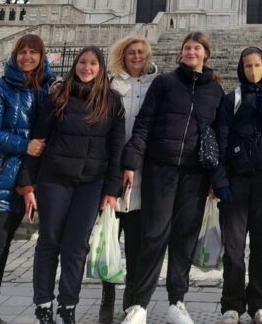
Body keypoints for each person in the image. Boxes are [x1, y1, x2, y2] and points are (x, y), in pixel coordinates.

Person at [121, 32, 224, 324]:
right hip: (161, 169)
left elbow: (217, 138)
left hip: (195, 174)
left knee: (184, 238)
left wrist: (216, 179)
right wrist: (131, 162)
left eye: (197, 48)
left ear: (206, 54)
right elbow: (144, 124)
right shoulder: (164, 83)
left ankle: (177, 302)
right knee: (153, 235)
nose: (191, 52)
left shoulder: (215, 91)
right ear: (180, 54)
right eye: (187, 48)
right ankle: (139, 304)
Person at [18, 46, 125, 324]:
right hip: (55, 178)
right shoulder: (58, 96)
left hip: (91, 183)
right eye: (82, 62)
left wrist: (112, 191)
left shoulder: (112, 102)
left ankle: (68, 306)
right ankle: (43, 304)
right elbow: (38, 142)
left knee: (77, 246)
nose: (86, 68)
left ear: (101, 69)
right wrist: (28, 185)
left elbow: (116, 151)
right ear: (75, 65)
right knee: (49, 241)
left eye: (92, 63)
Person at [0, 34, 52, 324]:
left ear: (42, 57)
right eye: (22, 52)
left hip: (22, 183)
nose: (27, 57)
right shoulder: (0, 88)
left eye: (33, 53)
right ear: (14, 56)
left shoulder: (45, 89)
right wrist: (24, 145)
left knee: (2, 248)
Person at [213, 47, 262, 324]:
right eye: (247, 65)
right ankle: (231, 304)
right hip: (236, 181)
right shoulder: (232, 99)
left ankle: (260, 304)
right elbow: (220, 139)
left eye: (257, 65)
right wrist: (219, 180)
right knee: (233, 248)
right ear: (240, 68)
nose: (253, 70)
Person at [99, 36, 159, 324]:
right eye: (130, 53)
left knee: (137, 241)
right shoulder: (109, 83)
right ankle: (107, 299)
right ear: (121, 56)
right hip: (111, 168)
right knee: (109, 237)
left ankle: (133, 301)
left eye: (140, 53)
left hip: (143, 171)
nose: (136, 57)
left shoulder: (158, 84)